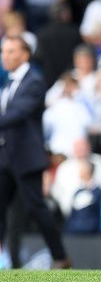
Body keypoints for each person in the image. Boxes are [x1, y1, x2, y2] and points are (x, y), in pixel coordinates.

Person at [0, 35, 70, 268]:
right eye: (4, 51)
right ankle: (9, 258)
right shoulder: (10, 83)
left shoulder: (34, 81)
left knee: (36, 208)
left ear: (25, 54)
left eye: (11, 51)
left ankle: (60, 257)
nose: (5, 56)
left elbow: (17, 114)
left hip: (26, 157)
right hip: (6, 156)